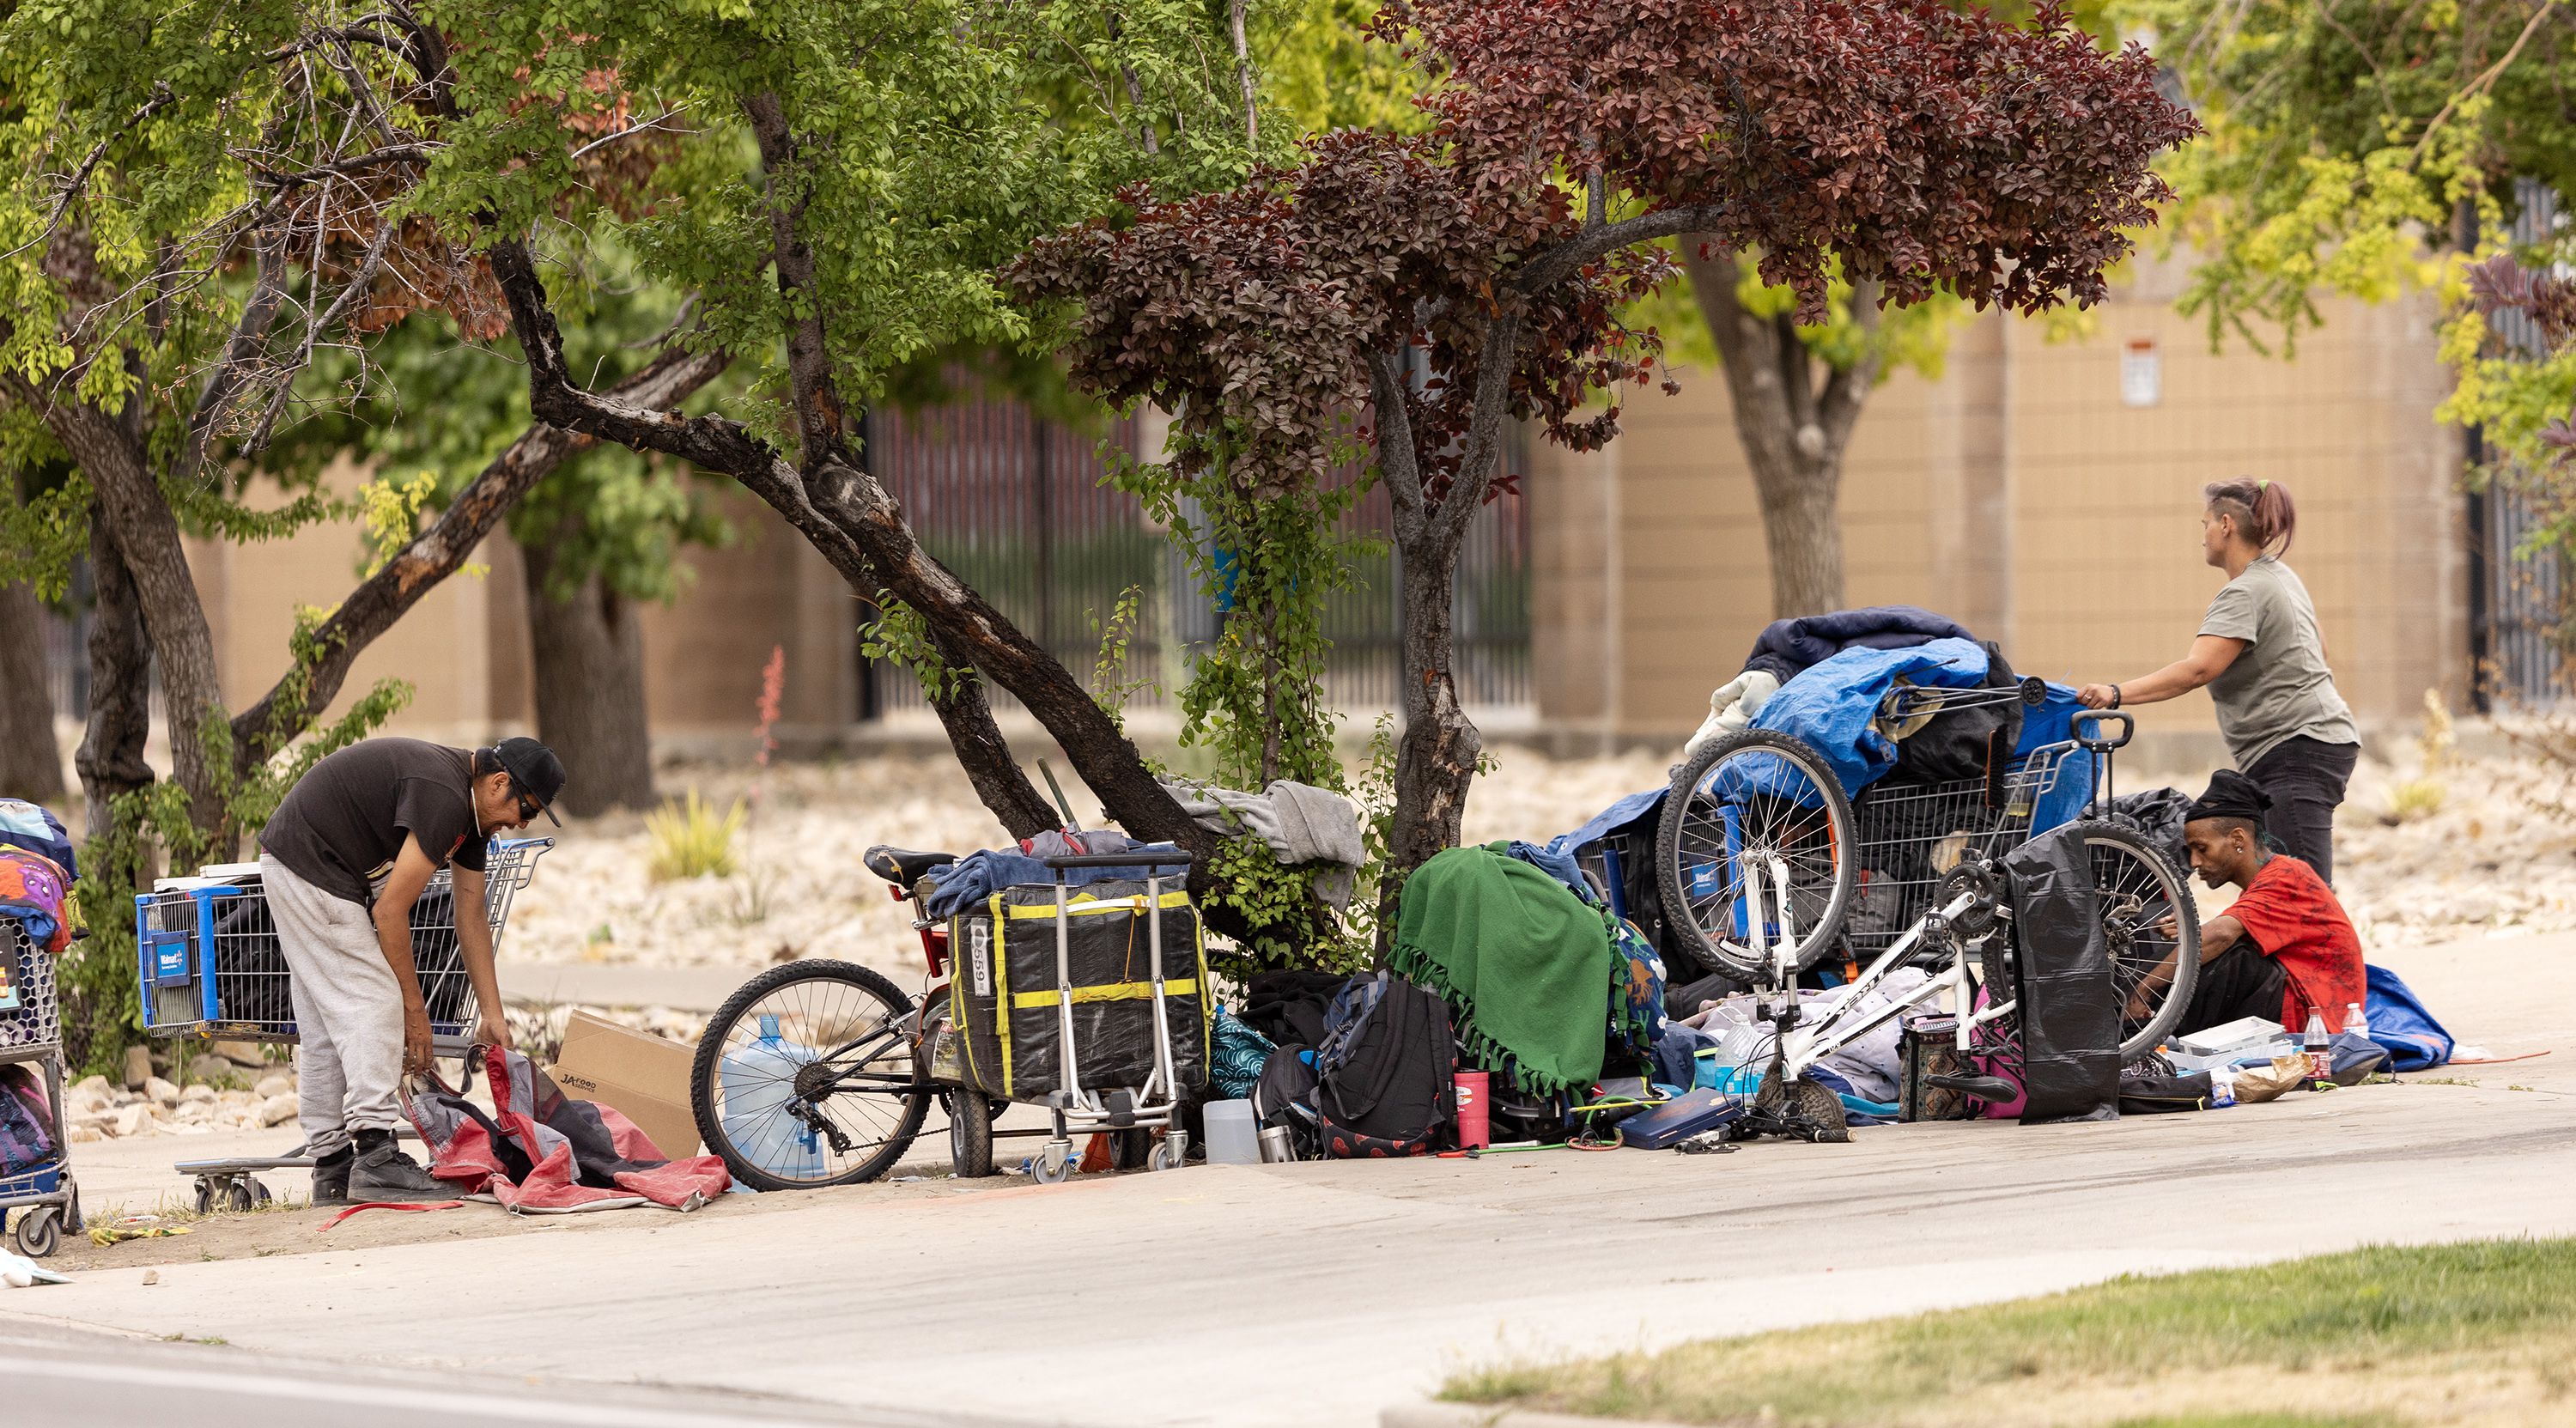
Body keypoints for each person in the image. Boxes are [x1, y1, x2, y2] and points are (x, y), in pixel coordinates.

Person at [257, 736, 563, 1202]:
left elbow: (471, 914)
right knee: (375, 1000)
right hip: (313, 865)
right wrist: (413, 1010)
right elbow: (390, 912)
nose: (521, 823)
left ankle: (333, 1164)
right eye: (527, 809)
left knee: (325, 1024)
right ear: (499, 784)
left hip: (295, 861)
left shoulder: (471, 813)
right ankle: (376, 1156)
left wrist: (493, 1014)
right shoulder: (444, 797)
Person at [2078, 478, 2360, 884]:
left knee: (2302, 890)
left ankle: (2324, 947)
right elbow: (2320, 649)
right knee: (2276, 877)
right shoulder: (2280, 577)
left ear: (2226, 525)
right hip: (2309, 742)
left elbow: (2198, 670)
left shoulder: (2245, 592)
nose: (2203, 536)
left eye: (2205, 523)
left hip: (2297, 747)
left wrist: (2115, 693)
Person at [2131, 770, 2365, 1039]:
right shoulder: (2263, 884)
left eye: (2202, 848)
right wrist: (2187, 932)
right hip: (2296, 1003)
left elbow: (2221, 934)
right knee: (2198, 947)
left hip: (2314, 1019)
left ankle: (2158, 1034)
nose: (2194, 862)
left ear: (2238, 840)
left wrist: (2145, 988)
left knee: (2235, 957)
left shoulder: (2288, 876)